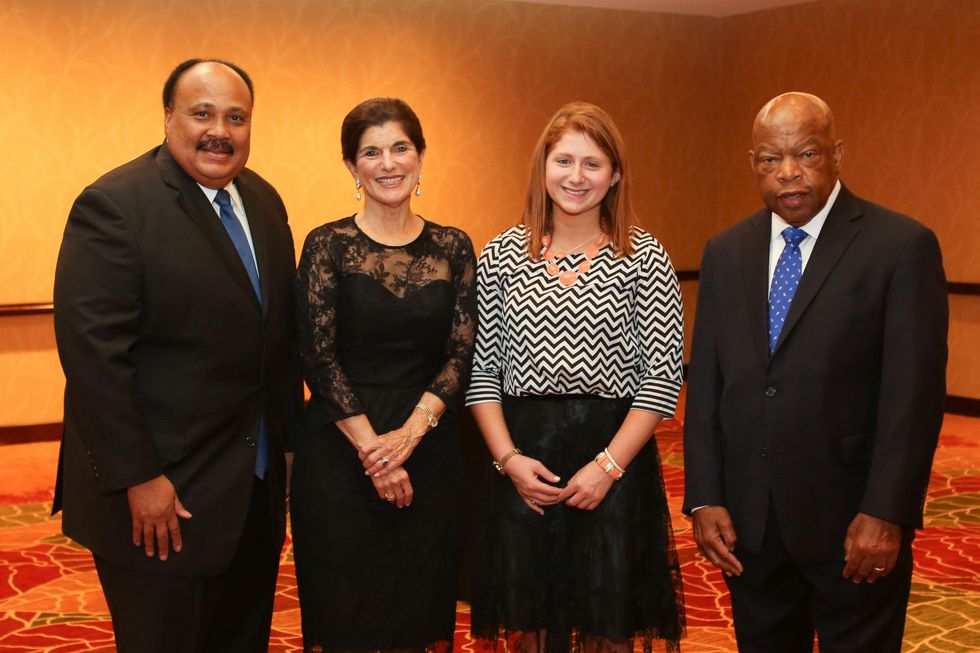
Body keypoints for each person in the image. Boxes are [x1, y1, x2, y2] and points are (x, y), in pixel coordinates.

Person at [52, 59, 303, 652]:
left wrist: (289, 447)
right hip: (160, 501)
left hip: (251, 491)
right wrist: (140, 477)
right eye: (202, 113)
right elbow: (95, 360)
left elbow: (279, 339)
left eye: (236, 117)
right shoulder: (115, 205)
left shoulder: (263, 200)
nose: (221, 129)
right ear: (168, 118)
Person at [683, 92, 948, 652]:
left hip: (852, 525)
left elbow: (913, 398)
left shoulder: (900, 247)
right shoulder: (725, 252)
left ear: (837, 155)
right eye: (770, 160)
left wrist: (885, 511)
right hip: (748, 528)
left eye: (806, 154)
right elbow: (705, 385)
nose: (790, 174)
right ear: (752, 162)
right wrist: (705, 497)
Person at [466, 102, 686, 653]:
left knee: (605, 622)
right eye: (564, 160)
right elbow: (482, 374)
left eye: (593, 164)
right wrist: (509, 461)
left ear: (615, 175)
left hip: (612, 466)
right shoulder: (501, 254)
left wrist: (607, 469)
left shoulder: (644, 256)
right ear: (543, 167)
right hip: (524, 464)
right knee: (527, 624)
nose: (576, 177)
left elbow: (661, 381)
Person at [292, 97, 476, 653]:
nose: (388, 163)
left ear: (420, 157)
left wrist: (412, 435)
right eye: (371, 152)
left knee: (422, 611)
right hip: (341, 451)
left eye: (400, 148)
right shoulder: (326, 244)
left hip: (434, 451)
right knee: (344, 612)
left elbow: (461, 353)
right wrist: (377, 453)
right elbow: (317, 357)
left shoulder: (454, 246)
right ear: (352, 167)